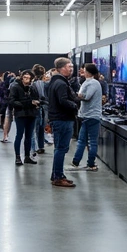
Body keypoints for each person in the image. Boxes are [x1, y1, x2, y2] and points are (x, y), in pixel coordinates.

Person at [47, 57, 79, 187]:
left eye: (71, 67)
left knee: (59, 148)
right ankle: (58, 177)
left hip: (59, 119)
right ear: (61, 68)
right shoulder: (60, 83)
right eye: (69, 67)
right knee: (61, 148)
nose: (71, 69)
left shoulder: (56, 82)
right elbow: (63, 101)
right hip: (62, 119)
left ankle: (56, 174)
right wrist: (75, 105)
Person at [72, 63, 103, 171]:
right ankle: (77, 162)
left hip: (92, 116)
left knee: (90, 142)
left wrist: (78, 95)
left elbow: (87, 96)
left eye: (84, 70)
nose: (82, 72)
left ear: (88, 72)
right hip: (86, 115)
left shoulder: (93, 83)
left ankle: (90, 163)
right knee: (83, 141)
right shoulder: (88, 82)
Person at [8, 70, 40, 166]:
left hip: (31, 114)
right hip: (21, 114)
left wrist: (37, 103)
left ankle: (27, 156)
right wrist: (28, 103)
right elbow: (12, 101)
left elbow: (37, 98)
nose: (27, 79)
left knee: (29, 136)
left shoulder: (33, 87)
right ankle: (18, 157)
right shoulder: (15, 87)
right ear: (22, 77)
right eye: (25, 77)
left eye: (29, 78)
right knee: (19, 135)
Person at [30, 65, 48, 155]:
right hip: (45, 108)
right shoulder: (45, 84)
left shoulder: (32, 84)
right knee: (41, 128)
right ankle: (41, 146)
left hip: (36, 108)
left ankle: (34, 148)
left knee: (33, 130)